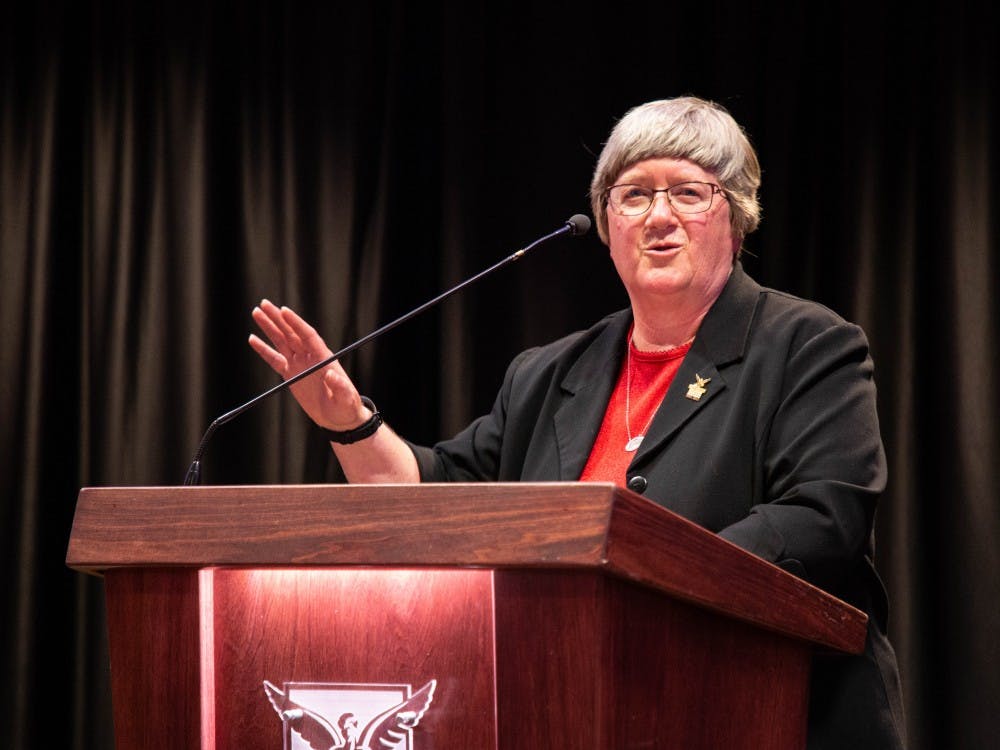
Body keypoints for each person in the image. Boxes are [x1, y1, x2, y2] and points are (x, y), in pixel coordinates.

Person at [249, 96, 906, 749]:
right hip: (577, 712)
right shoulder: (547, 375)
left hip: (765, 714)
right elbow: (428, 502)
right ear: (606, 223)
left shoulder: (808, 347)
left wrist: (648, 577)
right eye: (633, 195)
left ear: (734, 219)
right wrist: (348, 420)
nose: (658, 218)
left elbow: (821, 519)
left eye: (687, 192)